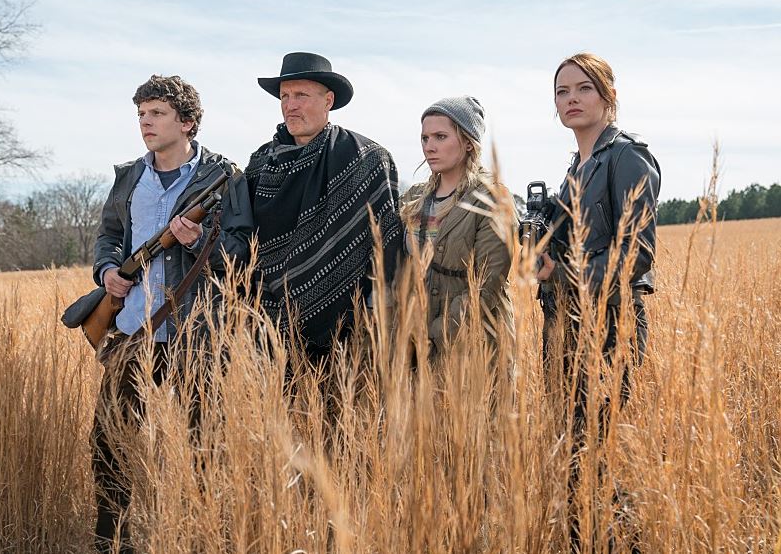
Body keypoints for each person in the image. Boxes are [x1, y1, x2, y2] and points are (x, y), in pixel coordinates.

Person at [90, 74, 254, 553]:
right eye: (141, 114)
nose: (146, 122)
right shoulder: (129, 177)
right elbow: (108, 236)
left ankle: (199, 538)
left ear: (187, 123)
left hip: (195, 334)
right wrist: (108, 271)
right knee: (110, 443)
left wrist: (198, 240)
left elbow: (242, 251)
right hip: (133, 331)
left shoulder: (224, 178)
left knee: (203, 446)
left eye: (157, 113)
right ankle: (112, 542)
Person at [537, 53, 660, 550]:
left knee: (597, 445)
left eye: (583, 88)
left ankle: (620, 542)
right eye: (562, 91)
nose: (571, 99)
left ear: (609, 95)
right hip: (564, 320)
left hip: (611, 320)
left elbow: (637, 251)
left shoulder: (627, 157)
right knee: (574, 447)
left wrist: (563, 272)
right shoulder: (577, 166)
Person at [245, 52, 402, 359]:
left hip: (348, 332)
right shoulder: (260, 164)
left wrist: (377, 313)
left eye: (301, 95)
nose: (290, 105)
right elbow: (243, 241)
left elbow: (387, 243)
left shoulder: (366, 159)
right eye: (285, 96)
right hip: (266, 329)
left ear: (328, 100)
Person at [400, 96, 516, 356]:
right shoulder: (414, 199)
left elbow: (485, 285)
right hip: (415, 347)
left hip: (474, 347)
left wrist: (434, 334)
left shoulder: (491, 199)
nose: (429, 147)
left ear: (468, 142)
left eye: (440, 137)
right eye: (424, 138)